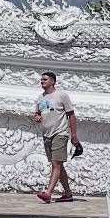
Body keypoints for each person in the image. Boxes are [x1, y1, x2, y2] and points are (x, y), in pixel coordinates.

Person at [31, 71, 81, 205]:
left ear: (53, 81)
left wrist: (74, 135)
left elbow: (71, 115)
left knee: (55, 164)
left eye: (45, 79)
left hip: (60, 133)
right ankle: (68, 194)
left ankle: (48, 193)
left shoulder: (61, 95)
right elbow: (36, 114)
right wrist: (36, 117)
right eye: (41, 80)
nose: (42, 81)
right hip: (46, 134)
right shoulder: (40, 98)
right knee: (58, 165)